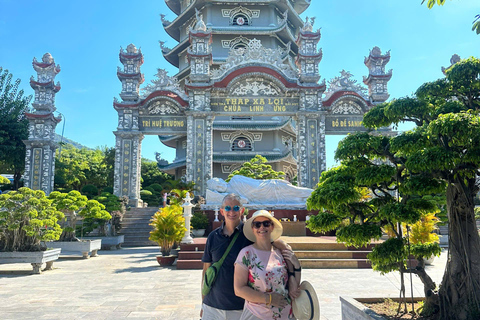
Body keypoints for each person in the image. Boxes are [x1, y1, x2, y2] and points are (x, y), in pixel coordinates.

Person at [201, 194, 299, 320]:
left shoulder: (250, 233)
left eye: (236, 208)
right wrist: (203, 302)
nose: (232, 212)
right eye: (227, 208)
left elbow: (273, 242)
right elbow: (206, 271)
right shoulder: (213, 237)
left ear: (242, 210)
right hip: (213, 305)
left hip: (239, 306)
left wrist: (291, 274)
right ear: (221, 211)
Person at [234, 210, 301, 320]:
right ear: (252, 228)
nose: (262, 227)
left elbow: (293, 288)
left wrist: (297, 267)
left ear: (272, 227)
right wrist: (269, 299)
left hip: (285, 315)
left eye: (266, 223)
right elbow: (239, 289)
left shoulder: (280, 253)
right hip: (257, 314)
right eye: (257, 224)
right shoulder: (246, 254)